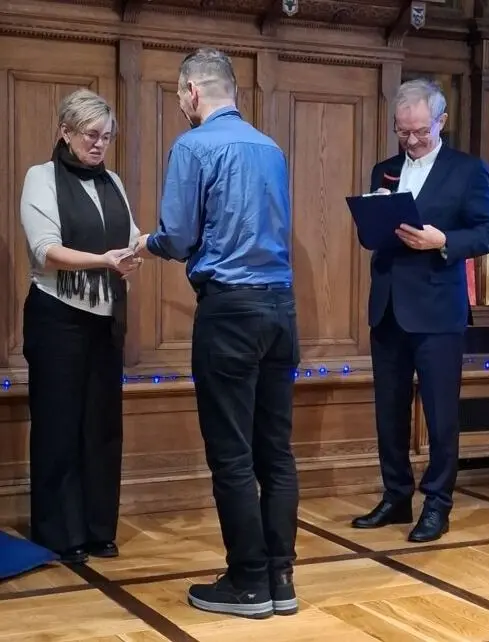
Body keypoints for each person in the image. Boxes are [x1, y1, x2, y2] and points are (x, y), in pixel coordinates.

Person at [135, 48, 299, 619]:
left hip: (229, 310)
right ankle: (281, 580)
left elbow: (179, 236)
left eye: (179, 95)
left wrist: (145, 244)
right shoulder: (270, 148)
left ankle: (248, 584)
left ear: (191, 92)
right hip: (281, 309)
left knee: (231, 454)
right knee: (275, 452)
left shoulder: (193, 145)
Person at [351, 79, 489, 542]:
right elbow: (371, 236)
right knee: (389, 411)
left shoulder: (467, 171)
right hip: (388, 308)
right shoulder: (384, 170)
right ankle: (396, 496)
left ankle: (437, 504)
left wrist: (444, 241)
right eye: (403, 132)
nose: (412, 141)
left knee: (440, 415)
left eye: (421, 131)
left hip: (438, 311)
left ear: (442, 122)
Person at [20, 89, 142, 564]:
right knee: (58, 424)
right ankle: (60, 533)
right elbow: (45, 250)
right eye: (91, 135)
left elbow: (129, 237)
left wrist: (142, 251)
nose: (99, 144)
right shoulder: (41, 177)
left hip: (104, 320)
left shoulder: (113, 181)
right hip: (58, 317)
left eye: (106, 137)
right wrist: (104, 261)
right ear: (66, 132)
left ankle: (97, 529)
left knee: (101, 426)